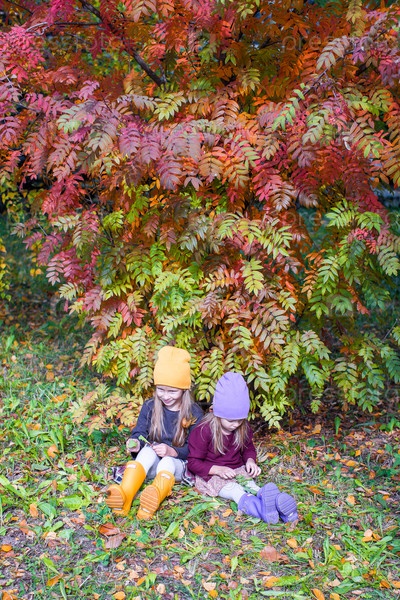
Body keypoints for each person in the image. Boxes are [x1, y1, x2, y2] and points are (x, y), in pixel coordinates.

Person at [106, 346, 203, 520]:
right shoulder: (150, 406)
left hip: (177, 466)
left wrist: (172, 451)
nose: (165, 396)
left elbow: (196, 450)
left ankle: (150, 503)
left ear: (184, 390)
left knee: (167, 461)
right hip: (152, 464)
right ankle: (125, 496)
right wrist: (135, 443)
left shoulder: (194, 413)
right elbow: (139, 433)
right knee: (146, 452)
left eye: (172, 391)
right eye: (161, 389)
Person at [187, 372, 298, 524]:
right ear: (216, 412)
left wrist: (250, 461)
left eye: (240, 420)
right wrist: (217, 470)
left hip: (237, 470)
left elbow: (248, 448)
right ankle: (263, 512)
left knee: (252, 486)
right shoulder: (203, 430)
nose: (235, 424)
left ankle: (284, 510)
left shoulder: (242, 427)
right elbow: (193, 463)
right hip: (212, 476)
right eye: (230, 420)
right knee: (235, 490)